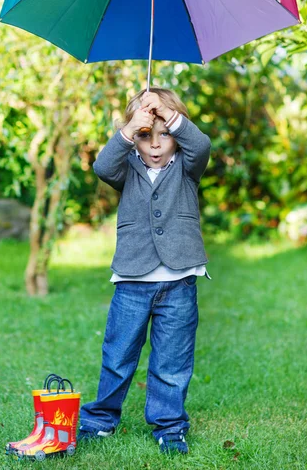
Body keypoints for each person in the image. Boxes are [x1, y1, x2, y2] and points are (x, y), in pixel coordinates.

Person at [78, 87, 212, 455]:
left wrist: (167, 115)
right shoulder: (126, 169)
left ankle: (169, 426)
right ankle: (101, 419)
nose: (155, 145)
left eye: (164, 135)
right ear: (134, 139)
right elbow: (102, 166)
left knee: (172, 361)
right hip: (133, 280)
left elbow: (201, 145)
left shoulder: (187, 165)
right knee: (118, 355)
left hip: (179, 280)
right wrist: (127, 129)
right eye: (145, 136)